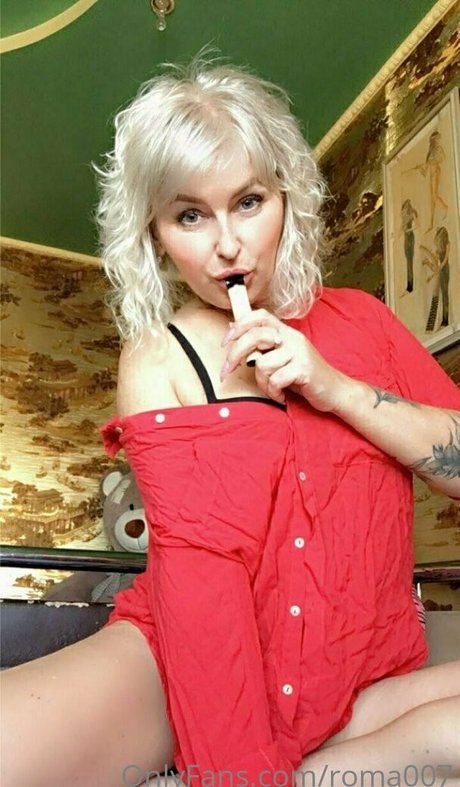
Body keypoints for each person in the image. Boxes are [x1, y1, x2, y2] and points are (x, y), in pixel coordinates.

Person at [1, 55, 460, 787]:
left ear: (287, 197)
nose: (226, 245)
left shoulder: (366, 324)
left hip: (356, 680)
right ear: (155, 233)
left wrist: (335, 388)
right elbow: (201, 599)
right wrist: (241, 774)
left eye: (248, 201)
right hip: (173, 666)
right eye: (190, 215)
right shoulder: (160, 357)